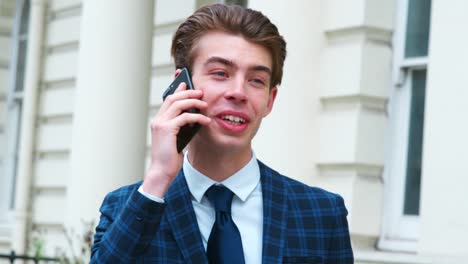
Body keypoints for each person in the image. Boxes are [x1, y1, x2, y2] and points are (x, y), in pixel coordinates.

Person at [90, 3, 353, 264]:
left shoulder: (321, 213)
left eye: (256, 80)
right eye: (220, 73)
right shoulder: (128, 207)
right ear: (182, 87)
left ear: (269, 100)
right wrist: (159, 176)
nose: (238, 92)